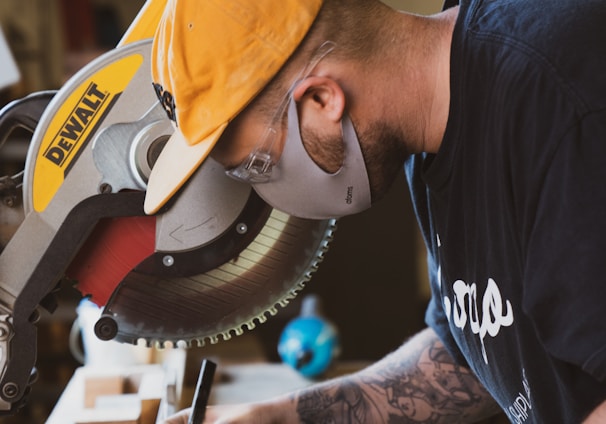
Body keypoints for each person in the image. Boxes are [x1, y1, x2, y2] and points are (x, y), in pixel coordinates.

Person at [144, 0, 606, 422]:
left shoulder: (563, 107)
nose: (262, 189)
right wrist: (278, 417)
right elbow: (474, 356)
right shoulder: (430, 135)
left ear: (322, 100)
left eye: (255, 167)